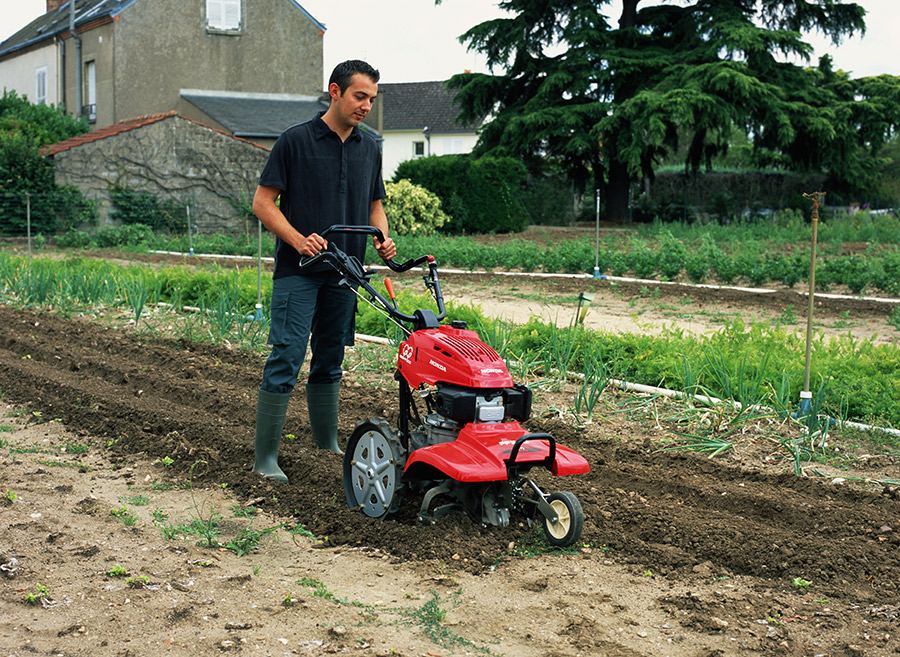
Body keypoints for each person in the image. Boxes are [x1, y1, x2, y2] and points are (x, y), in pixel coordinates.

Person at [251, 60, 395, 482]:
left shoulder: (370, 147)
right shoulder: (295, 141)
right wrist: (297, 240)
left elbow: (375, 207)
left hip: (346, 273)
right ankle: (265, 460)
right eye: (359, 96)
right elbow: (263, 202)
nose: (366, 105)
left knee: (331, 359)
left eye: (371, 98)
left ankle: (326, 443)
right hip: (299, 270)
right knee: (287, 357)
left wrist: (381, 236)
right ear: (335, 91)